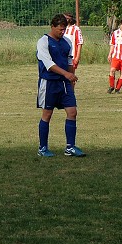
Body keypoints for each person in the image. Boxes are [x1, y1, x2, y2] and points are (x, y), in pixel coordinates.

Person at [36, 14, 85, 157]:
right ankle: (42, 148)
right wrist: (66, 74)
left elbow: (70, 62)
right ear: (52, 26)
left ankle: (70, 147)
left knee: (72, 112)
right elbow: (49, 64)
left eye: (64, 29)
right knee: (47, 114)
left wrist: (71, 79)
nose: (62, 32)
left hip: (64, 83)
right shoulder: (43, 41)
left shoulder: (67, 42)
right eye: (59, 29)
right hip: (49, 82)